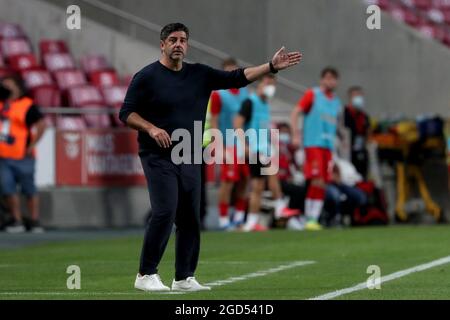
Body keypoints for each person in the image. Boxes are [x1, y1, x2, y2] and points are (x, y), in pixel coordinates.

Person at [119, 23, 302, 292]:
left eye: (183, 40)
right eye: (172, 40)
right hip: (157, 154)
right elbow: (126, 113)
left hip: (190, 154)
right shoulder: (146, 76)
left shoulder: (199, 74)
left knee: (190, 217)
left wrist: (271, 67)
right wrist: (151, 128)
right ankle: (146, 274)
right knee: (165, 210)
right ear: (162, 45)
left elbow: (237, 78)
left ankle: (183, 278)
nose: (178, 44)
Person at [234, 74, 298, 232]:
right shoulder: (250, 102)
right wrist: (245, 145)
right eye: (268, 83)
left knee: (258, 187)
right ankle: (279, 206)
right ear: (260, 84)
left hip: (264, 147)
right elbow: (237, 124)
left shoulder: (265, 104)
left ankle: (251, 222)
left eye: (273, 84)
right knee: (272, 173)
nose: (271, 87)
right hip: (255, 149)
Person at [290, 67, 343, 231]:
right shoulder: (312, 94)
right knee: (316, 179)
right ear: (322, 80)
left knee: (324, 182)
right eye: (327, 78)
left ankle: (315, 218)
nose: (330, 81)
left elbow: (336, 124)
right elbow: (295, 112)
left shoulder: (336, 102)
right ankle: (309, 218)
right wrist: (296, 135)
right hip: (313, 143)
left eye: (333, 78)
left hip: (328, 146)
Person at [0, 75, 46, 233]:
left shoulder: (26, 105)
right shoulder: (1, 104)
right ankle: (16, 220)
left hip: (23, 155)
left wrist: (32, 144)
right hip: (3, 155)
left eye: (9, 85)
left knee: (29, 189)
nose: (6, 88)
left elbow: (41, 124)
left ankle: (34, 220)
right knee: (8, 189)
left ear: (17, 87)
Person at [210, 58, 250, 230]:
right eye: (228, 70)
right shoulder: (219, 94)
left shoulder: (245, 93)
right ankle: (224, 220)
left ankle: (239, 218)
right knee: (228, 182)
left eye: (234, 69)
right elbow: (214, 121)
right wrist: (219, 146)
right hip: (227, 143)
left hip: (243, 143)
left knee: (245, 181)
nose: (231, 72)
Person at [344, 86, 371, 179]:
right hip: (347, 153)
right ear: (350, 98)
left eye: (360, 96)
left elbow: (367, 133)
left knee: (362, 176)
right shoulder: (344, 114)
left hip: (361, 152)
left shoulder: (364, 117)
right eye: (356, 96)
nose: (358, 98)